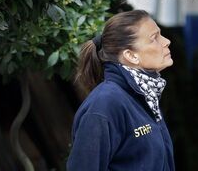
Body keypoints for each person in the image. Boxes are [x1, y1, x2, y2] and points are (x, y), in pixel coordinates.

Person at [67, 10, 175, 170]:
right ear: (131, 56)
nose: (166, 41)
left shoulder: (146, 96)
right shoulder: (104, 104)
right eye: (154, 38)